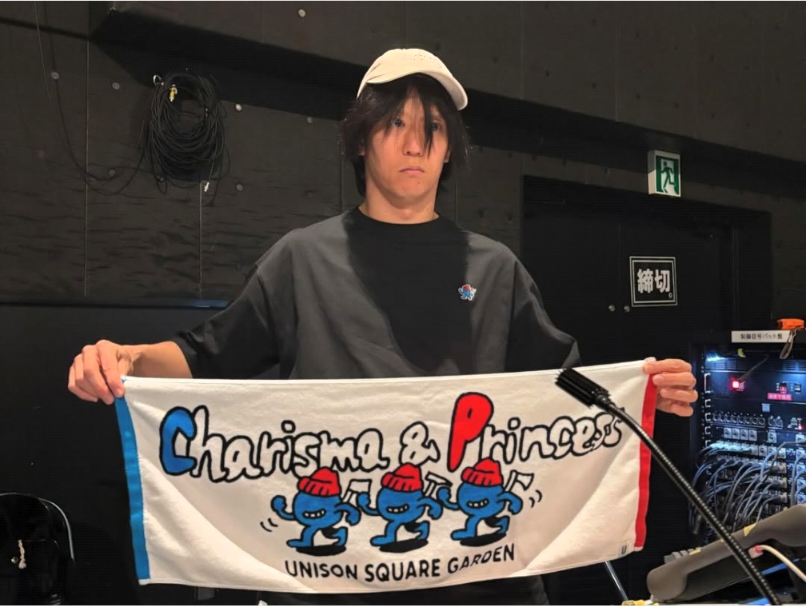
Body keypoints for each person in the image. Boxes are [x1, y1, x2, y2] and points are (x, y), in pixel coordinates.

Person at [68, 49, 697, 604]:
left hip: (481, 580)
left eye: (432, 129)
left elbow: (566, 386)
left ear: (449, 149)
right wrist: (126, 358)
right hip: (332, 580)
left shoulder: (493, 267)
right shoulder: (302, 259)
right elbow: (207, 356)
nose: (414, 145)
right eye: (395, 124)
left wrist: (642, 393)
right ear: (362, 140)